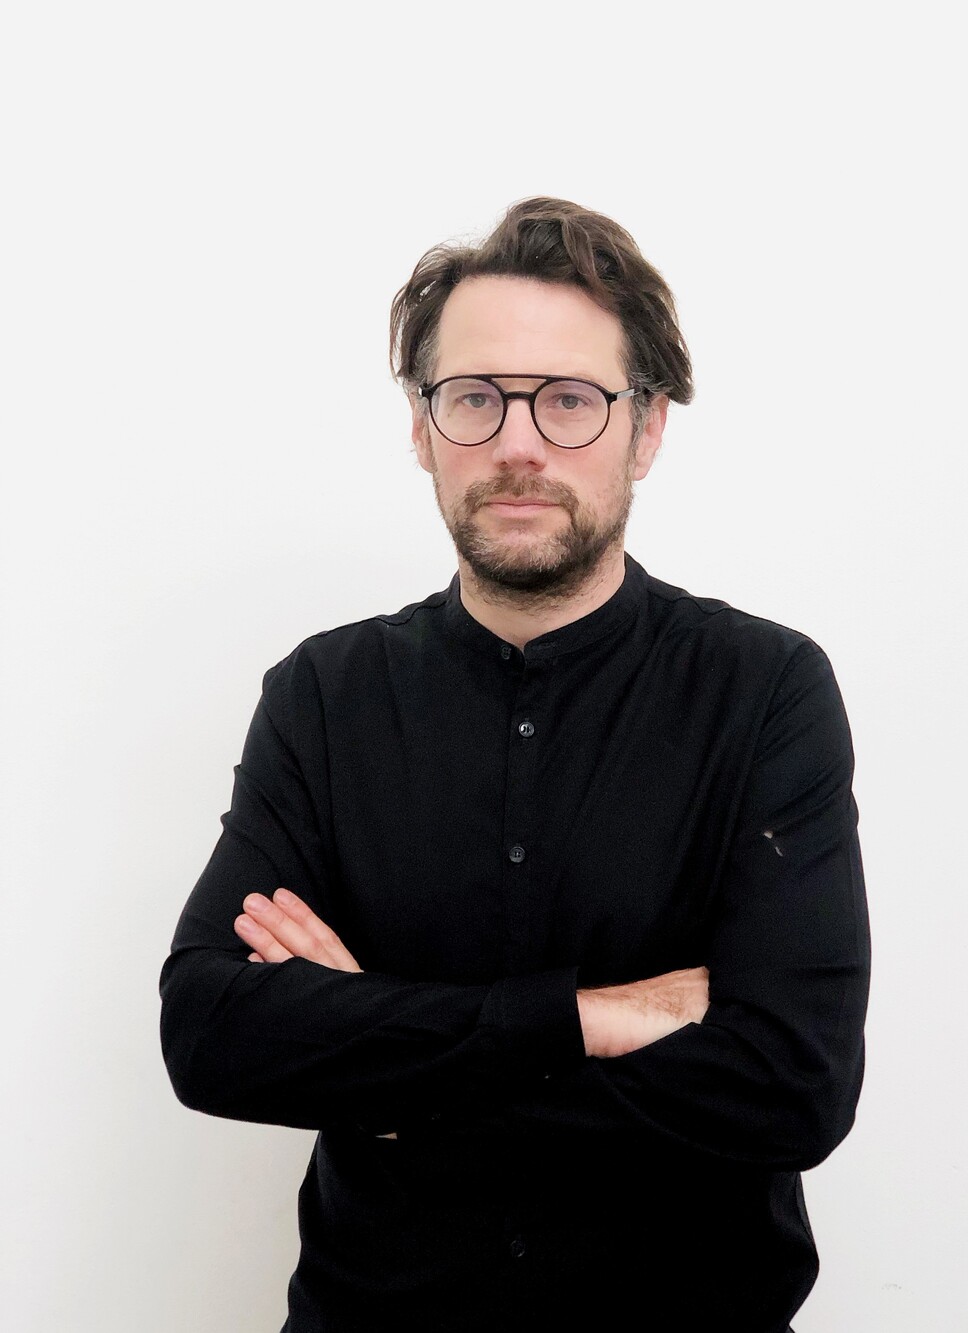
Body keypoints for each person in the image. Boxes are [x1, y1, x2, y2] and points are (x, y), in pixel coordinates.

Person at [159, 197, 870, 1332]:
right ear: (422, 426)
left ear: (645, 431)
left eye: (571, 401)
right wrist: (586, 1019)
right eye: (476, 398)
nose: (519, 443)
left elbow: (792, 1083)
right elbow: (211, 1033)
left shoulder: (763, 688)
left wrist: (387, 1069)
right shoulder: (324, 695)